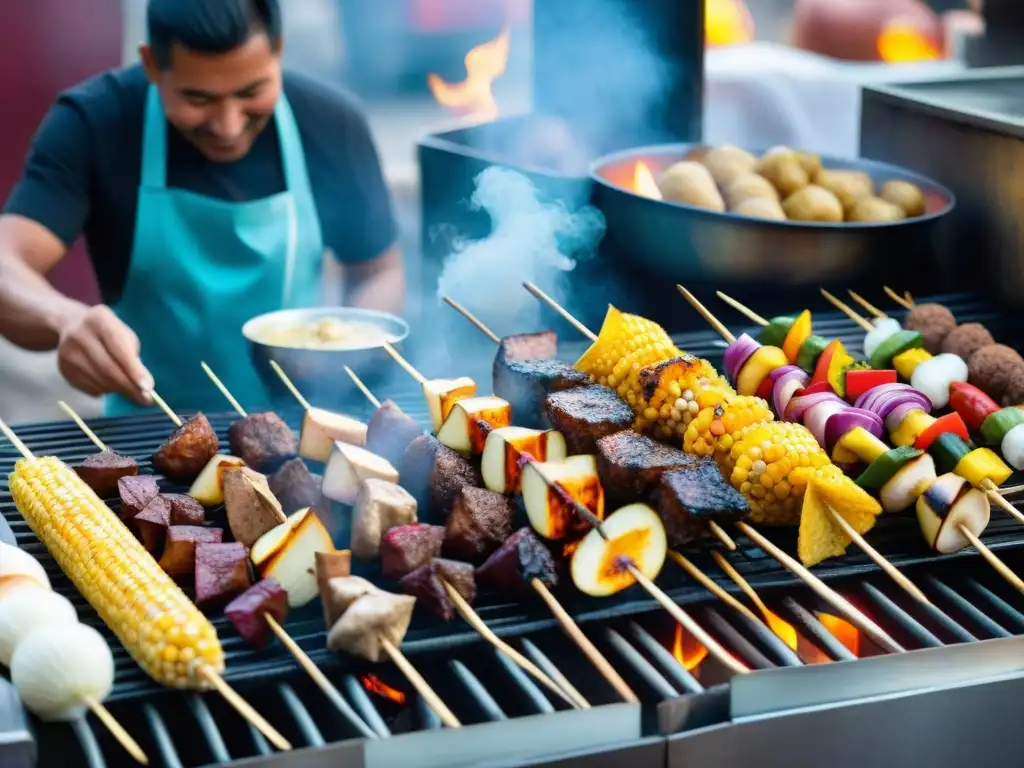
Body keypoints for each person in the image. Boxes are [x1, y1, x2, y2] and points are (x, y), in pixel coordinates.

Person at [0, 0, 402, 415]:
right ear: (152, 64)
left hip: (297, 420)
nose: (228, 127)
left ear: (278, 49)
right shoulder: (96, 122)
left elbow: (378, 270)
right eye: (198, 98)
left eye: (251, 92)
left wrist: (341, 348)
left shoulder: (331, 124)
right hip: (148, 432)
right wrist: (64, 320)